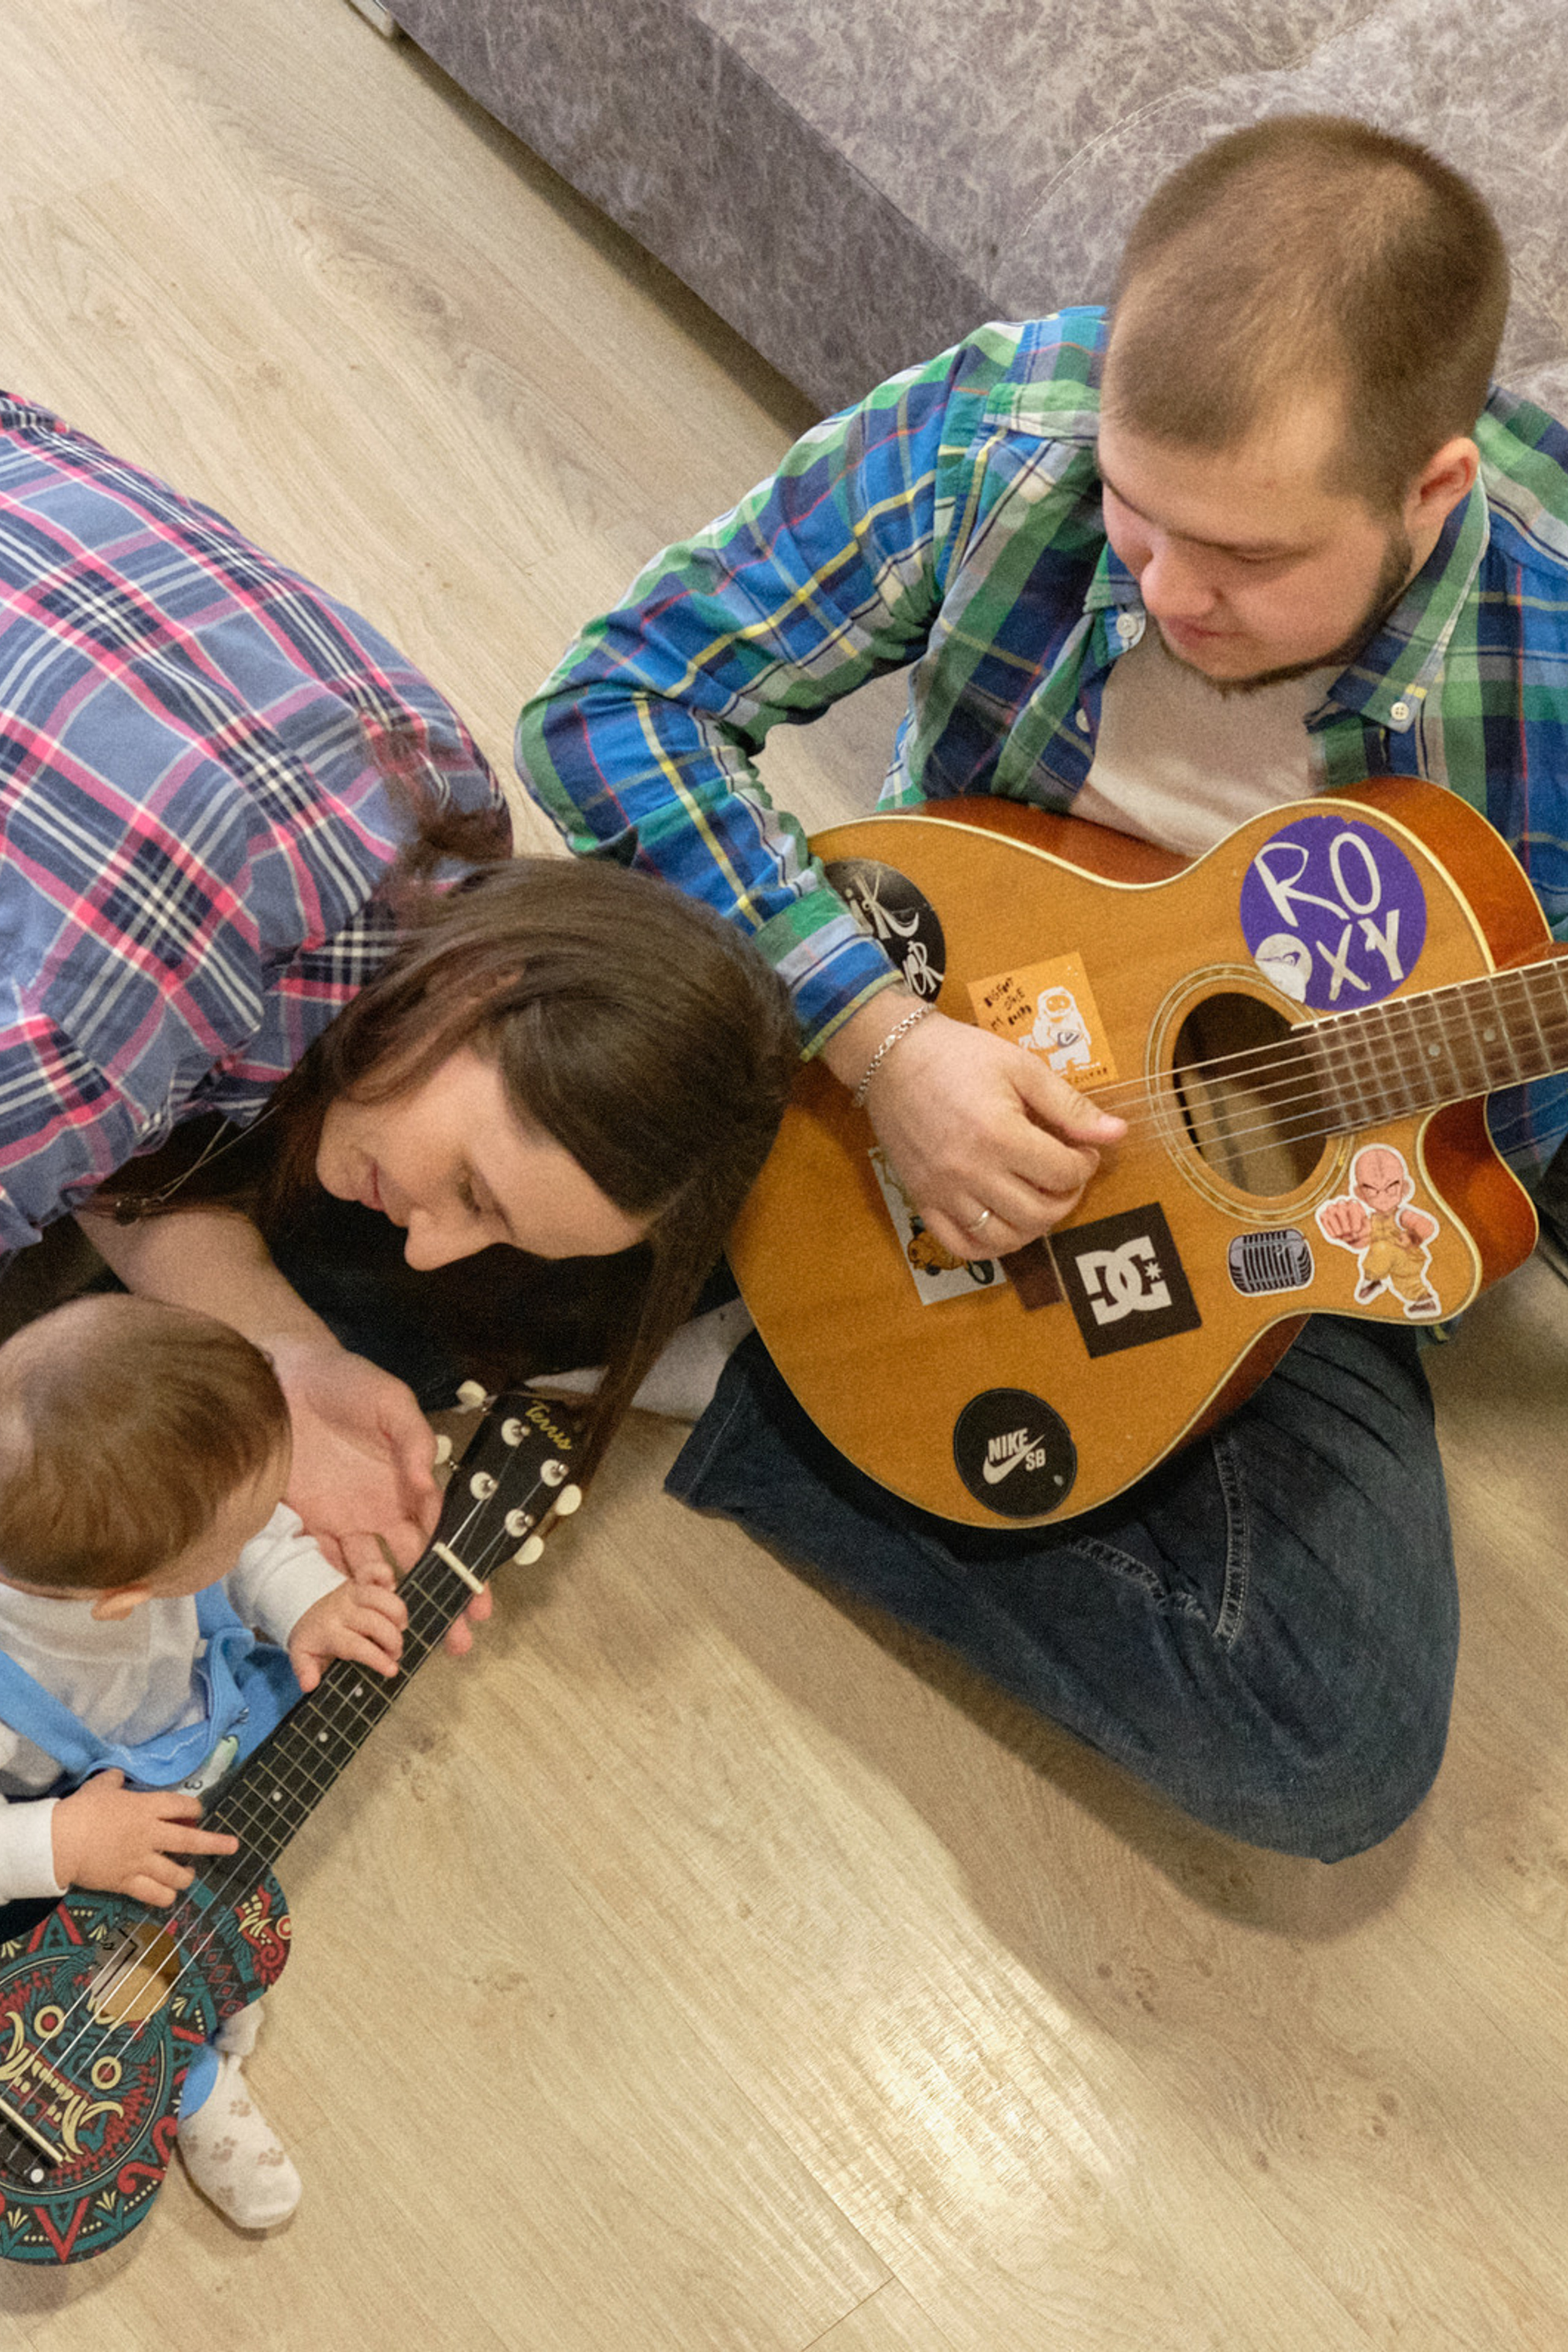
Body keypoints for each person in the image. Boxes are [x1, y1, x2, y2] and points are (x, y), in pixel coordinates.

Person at [516, 115, 1568, 1862]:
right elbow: (616, 701)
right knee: (420, 1138)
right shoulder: (1011, 429)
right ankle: (812, 1335)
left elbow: (1510, 1114)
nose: (1168, 589)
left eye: (1243, 559)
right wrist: (882, 1038)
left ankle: (770, 1384)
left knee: (1329, 1743)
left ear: (1430, 490)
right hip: (914, 1017)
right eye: (1137, 519)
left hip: (1317, 1170)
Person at [0, 391, 799, 1593]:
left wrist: (285, 1352)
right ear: (487, 984)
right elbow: (117, 1100)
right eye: (473, 1189)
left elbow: (140, 1146)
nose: (428, 1247)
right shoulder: (120, 1022)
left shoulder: (442, 779)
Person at [0, 1295, 409, 2230]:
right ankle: (186, 2081)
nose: (272, 1523)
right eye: (244, 1528)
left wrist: (307, 1596)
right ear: (127, 1600)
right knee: (78, 1954)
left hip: (189, 1702)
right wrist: (60, 1840)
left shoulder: (98, 1529)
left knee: (329, 1694)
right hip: (67, 1804)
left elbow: (250, 1543)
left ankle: (208, 1981)